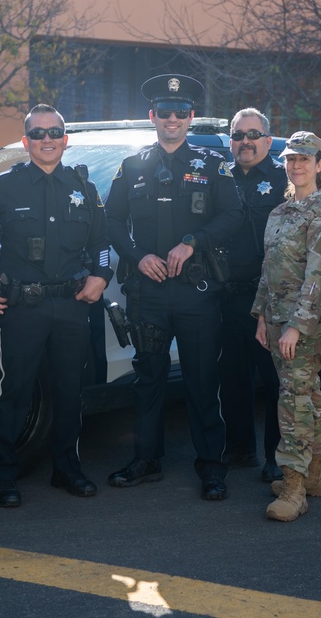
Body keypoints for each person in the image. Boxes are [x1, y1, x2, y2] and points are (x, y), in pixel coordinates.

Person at [104, 74, 243, 501]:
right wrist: (136, 256)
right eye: (164, 112)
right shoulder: (133, 166)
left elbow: (234, 215)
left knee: (202, 380)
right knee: (148, 379)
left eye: (180, 113)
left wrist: (192, 241)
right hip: (148, 291)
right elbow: (110, 221)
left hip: (196, 292)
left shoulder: (211, 164)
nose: (172, 119)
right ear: (153, 117)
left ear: (190, 117)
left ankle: (212, 467)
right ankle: (146, 459)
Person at [0, 104, 113, 508]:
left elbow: (101, 244)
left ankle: (66, 468)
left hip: (71, 305)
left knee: (70, 391)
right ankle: (3, 476)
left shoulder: (85, 189)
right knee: (15, 391)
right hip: (22, 307)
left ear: (65, 139)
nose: (47, 140)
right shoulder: (2, 187)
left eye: (55, 132)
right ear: (26, 142)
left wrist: (101, 277)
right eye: (38, 134)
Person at [252, 131, 321, 522]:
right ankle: (316, 475)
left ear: (320, 163)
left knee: (292, 401)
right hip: (275, 319)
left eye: (305, 159)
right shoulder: (280, 212)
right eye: (290, 159)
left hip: (303, 325)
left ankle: (293, 487)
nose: (296, 165)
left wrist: (296, 327)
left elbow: (319, 277)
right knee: (308, 393)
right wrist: (260, 315)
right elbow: (268, 268)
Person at [219, 108, 287, 483]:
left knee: (274, 381)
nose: (245, 141)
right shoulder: (219, 177)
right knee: (231, 376)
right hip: (226, 295)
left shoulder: (283, 178)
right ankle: (240, 449)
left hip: (270, 297)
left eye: (252, 134)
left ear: (268, 140)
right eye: (238, 135)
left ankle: (276, 458)